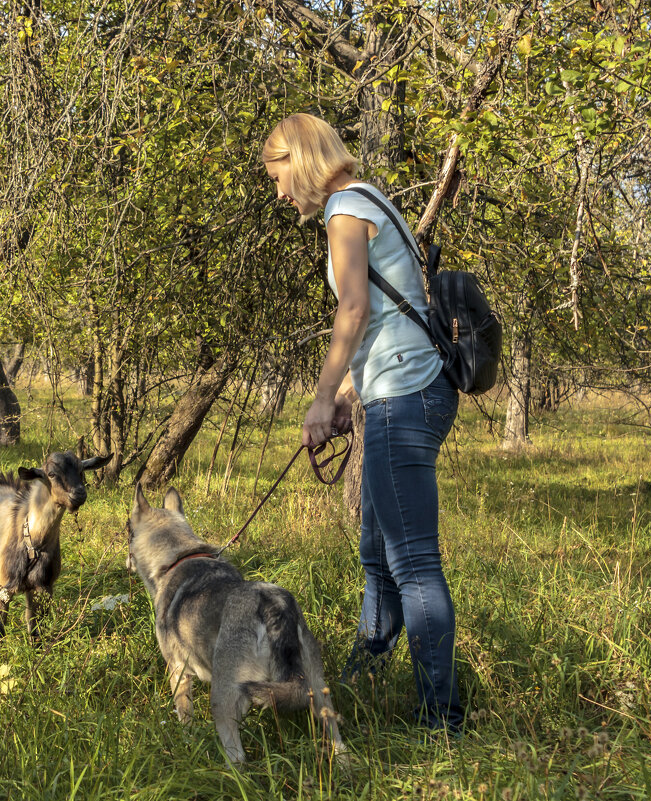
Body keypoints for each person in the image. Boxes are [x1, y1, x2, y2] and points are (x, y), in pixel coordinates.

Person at [261, 113, 463, 733]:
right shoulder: (366, 199)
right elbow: (384, 315)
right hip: (396, 392)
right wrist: (353, 392)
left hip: (406, 397)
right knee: (377, 555)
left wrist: (323, 398)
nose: (280, 193)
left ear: (302, 160)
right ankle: (363, 679)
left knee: (412, 563)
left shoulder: (346, 209)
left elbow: (353, 308)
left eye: (279, 176)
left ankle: (441, 719)